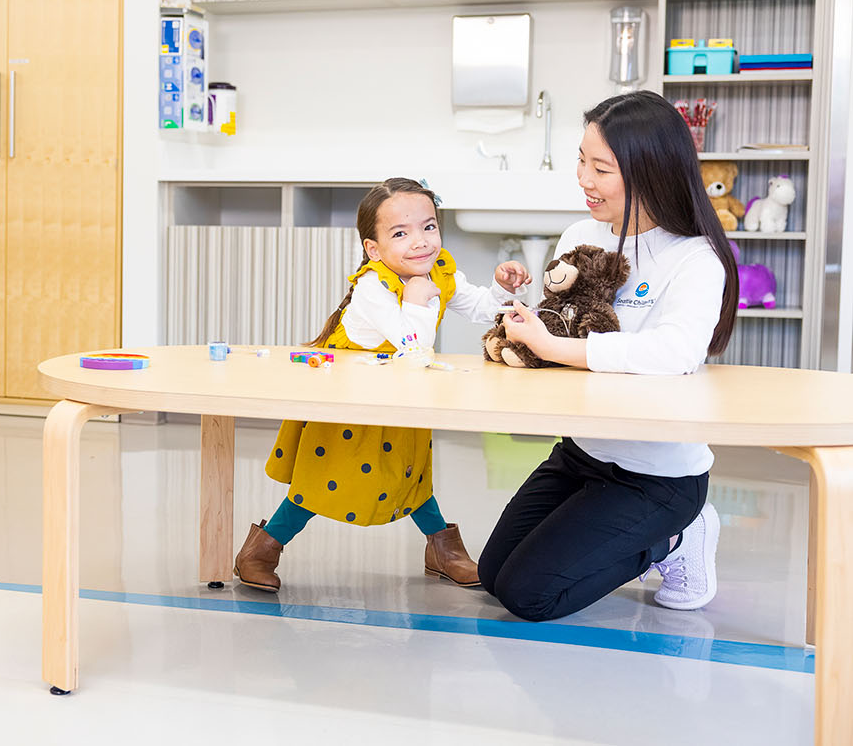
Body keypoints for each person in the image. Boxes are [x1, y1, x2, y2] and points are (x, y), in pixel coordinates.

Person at [477, 91, 739, 621]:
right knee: (492, 574)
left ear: (652, 170)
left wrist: (560, 347)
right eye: (581, 159)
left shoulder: (693, 255)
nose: (583, 178)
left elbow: (678, 352)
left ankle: (673, 539)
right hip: (584, 453)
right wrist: (520, 309)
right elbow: (565, 321)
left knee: (528, 596)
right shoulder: (581, 234)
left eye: (601, 167)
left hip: (657, 475)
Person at [234, 177, 531, 592]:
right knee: (326, 477)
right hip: (352, 397)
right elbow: (415, 345)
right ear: (373, 248)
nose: (421, 242)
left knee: (408, 471)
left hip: (399, 392)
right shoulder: (374, 287)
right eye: (400, 233)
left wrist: (502, 287)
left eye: (428, 227)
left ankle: (442, 550)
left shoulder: (438, 269)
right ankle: (260, 550)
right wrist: (417, 299)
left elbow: (481, 308)